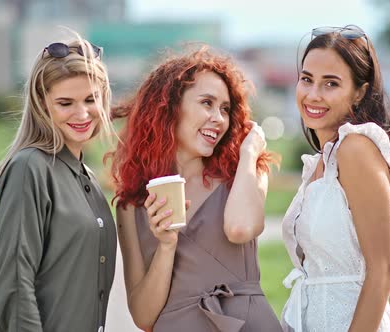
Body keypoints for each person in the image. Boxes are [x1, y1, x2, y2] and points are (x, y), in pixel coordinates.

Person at [108, 47, 282, 331]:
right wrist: (166, 246)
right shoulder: (131, 206)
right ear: (170, 108)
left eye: (225, 109)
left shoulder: (246, 174)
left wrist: (249, 152)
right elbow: (143, 316)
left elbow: (240, 228)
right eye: (207, 103)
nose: (219, 118)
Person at [0, 37, 118, 332]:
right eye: (65, 103)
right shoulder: (29, 169)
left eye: (90, 99)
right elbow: (14, 284)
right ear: (42, 103)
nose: (82, 114)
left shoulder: (87, 177)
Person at [281, 25, 390, 331]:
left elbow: (383, 271)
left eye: (331, 84)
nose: (313, 95)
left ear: (360, 92)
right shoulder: (320, 163)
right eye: (306, 79)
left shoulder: (356, 148)